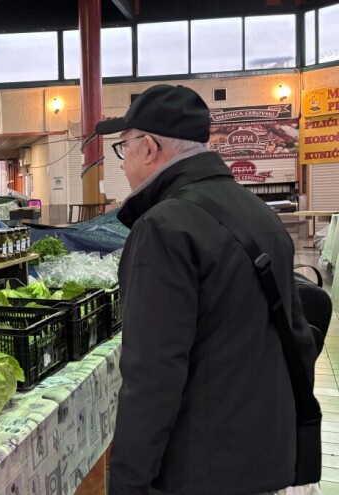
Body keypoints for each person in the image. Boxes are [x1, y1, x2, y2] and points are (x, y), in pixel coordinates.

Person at [97, 84, 318, 494]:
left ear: (149, 148)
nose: (123, 163)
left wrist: (127, 484)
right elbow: (298, 336)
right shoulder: (257, 211)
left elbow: (153, 376)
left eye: (123, 147)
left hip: (201, 467)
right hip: (263, 455)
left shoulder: (164, 227)